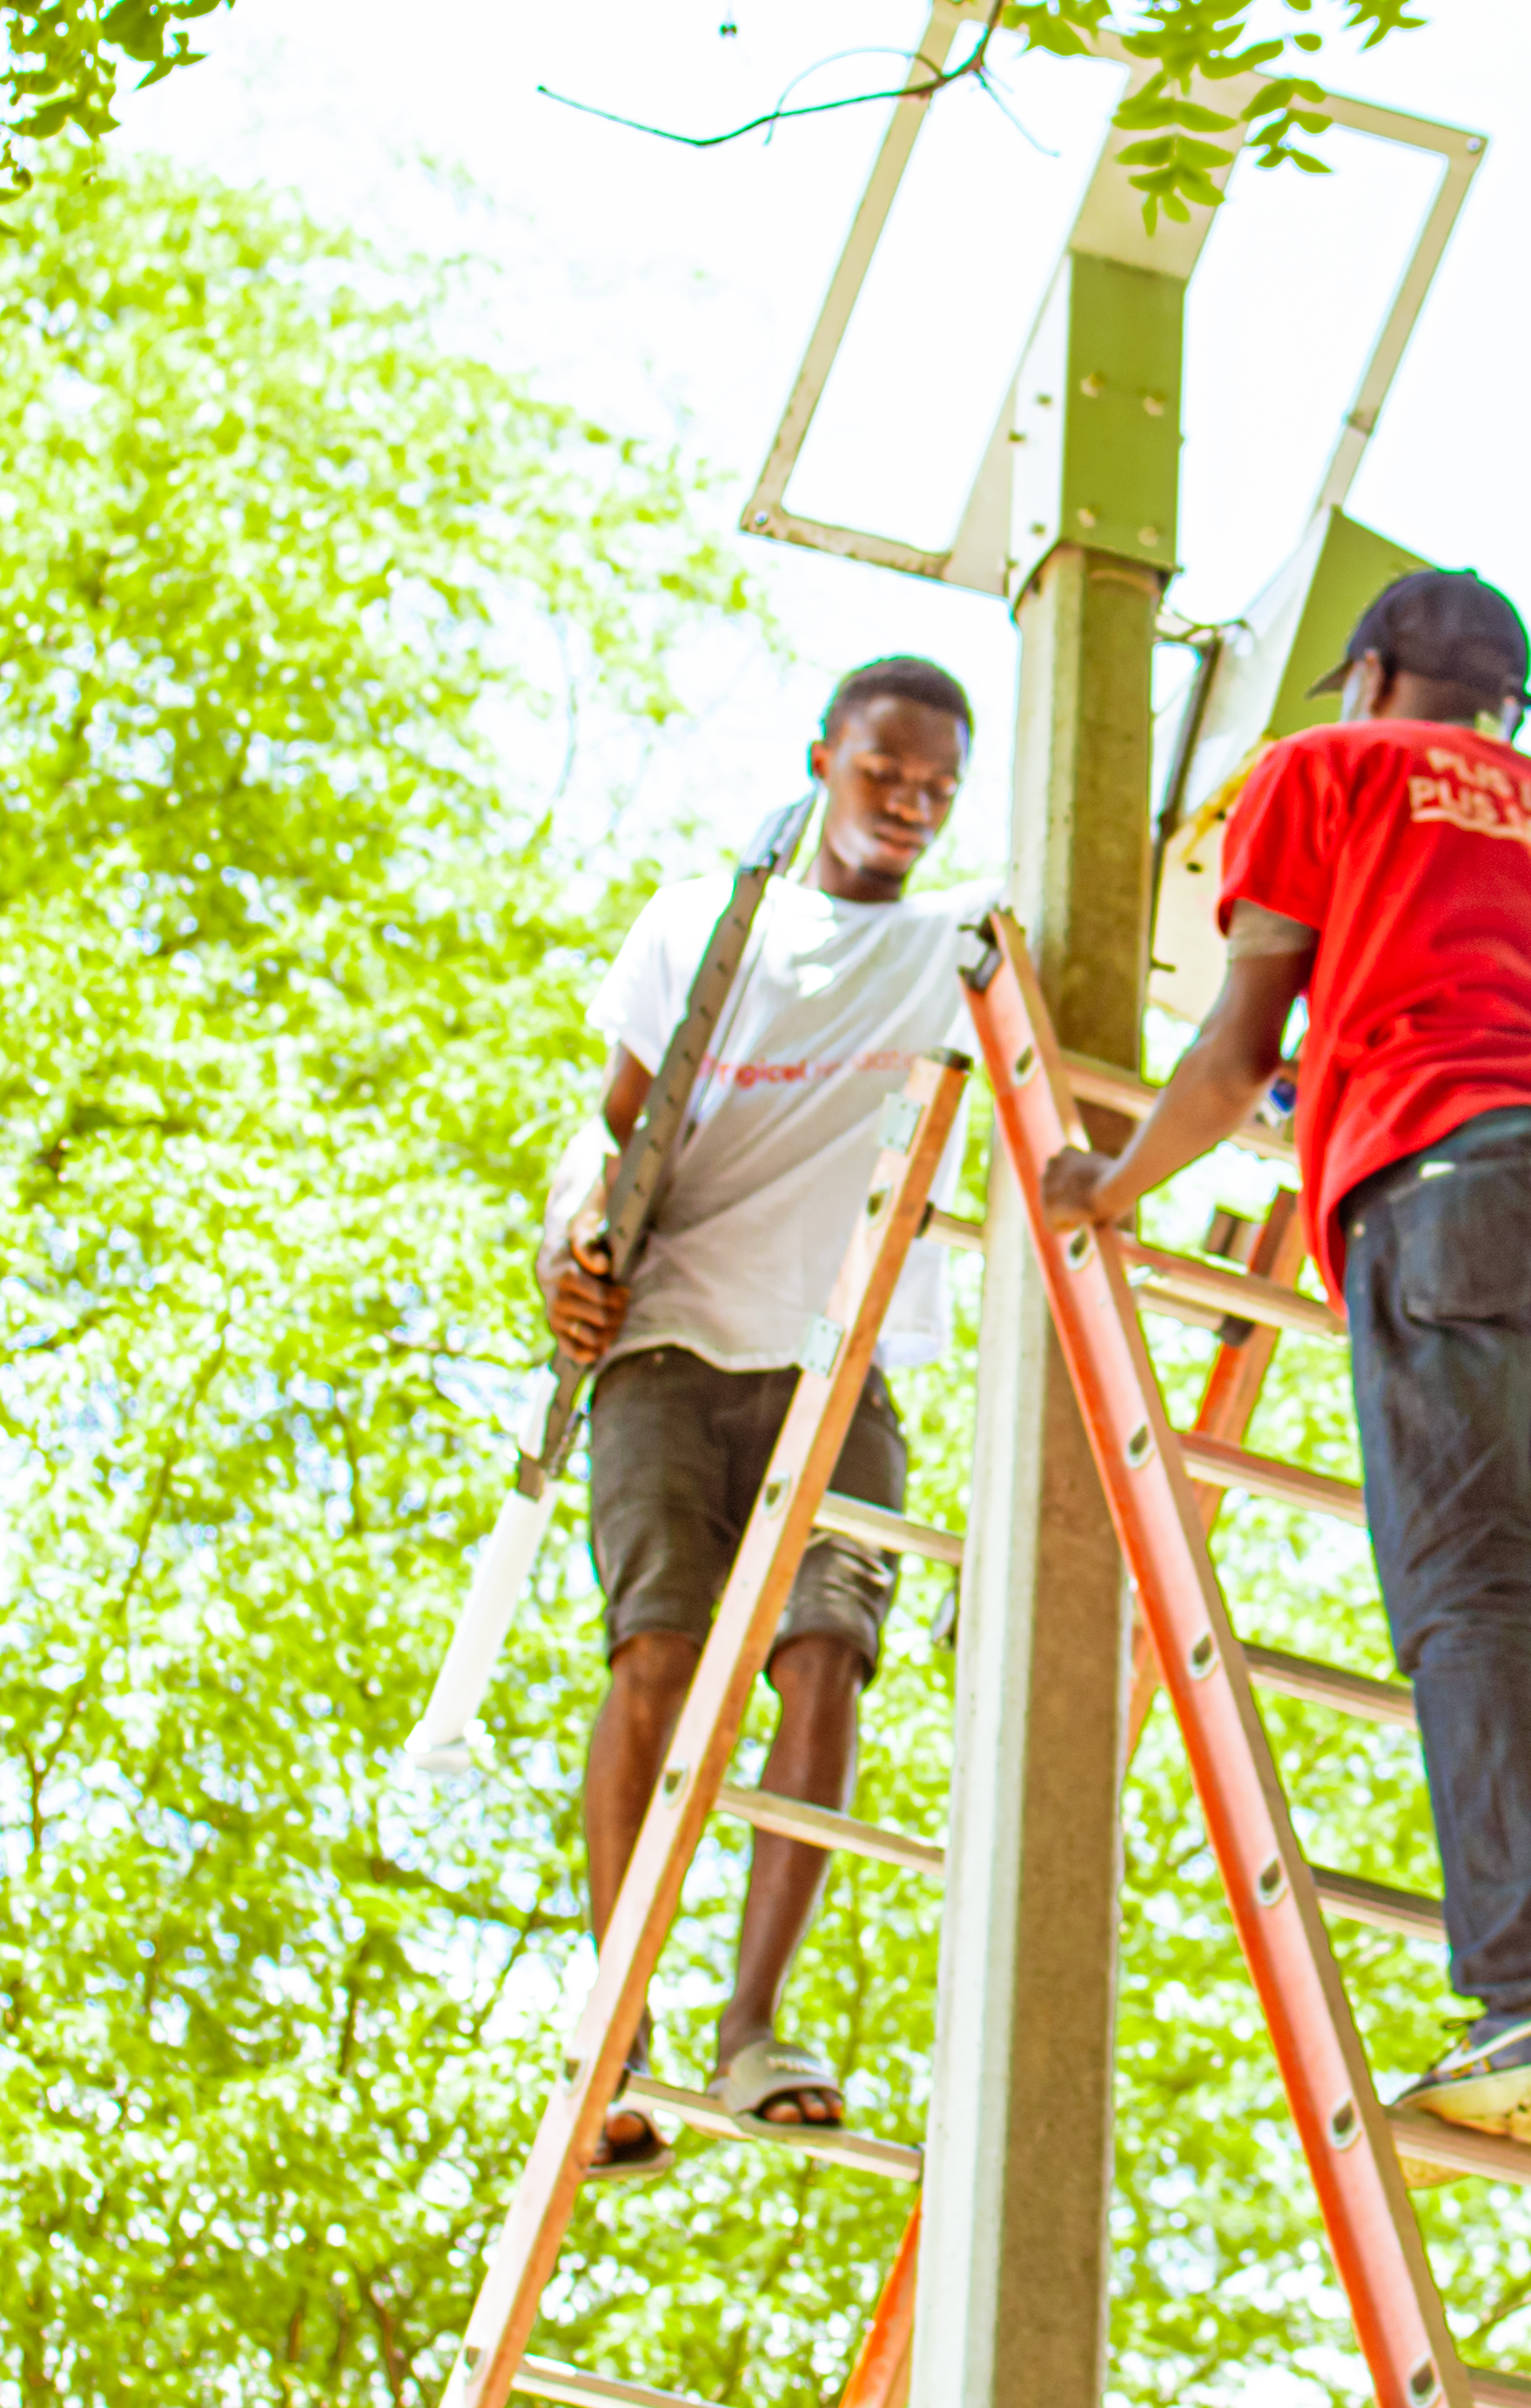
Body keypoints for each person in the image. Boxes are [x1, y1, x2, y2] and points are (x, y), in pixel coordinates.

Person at [1038, 572, 1531, 2181]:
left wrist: (1103, 1187)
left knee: (1472, 1590)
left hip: (1445, 1193)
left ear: (1374, 669)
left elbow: (1236, 1046)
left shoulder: (1325, 771)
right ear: (1511, 705)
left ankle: (1530, 1998)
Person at [543, 654, 981, 2176]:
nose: (910, 808)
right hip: (672, 1346)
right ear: (823, 759)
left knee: (825, 1660)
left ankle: (755, 2021)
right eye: (885, 776)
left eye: (938, 789)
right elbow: (610, 1127)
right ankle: (622, 2025)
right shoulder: (707, 923)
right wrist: (568, 1245)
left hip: (837, 1358)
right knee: (656, 1654)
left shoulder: (960, 948)